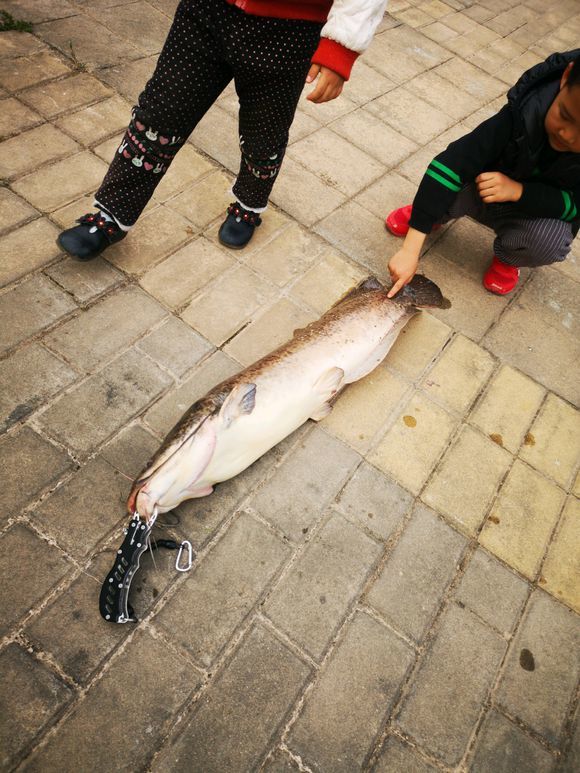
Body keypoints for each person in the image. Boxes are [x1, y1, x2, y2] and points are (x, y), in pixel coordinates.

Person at [58, 0, 387, 259]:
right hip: (206, 12)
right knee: (161, 113)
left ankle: (249, 203)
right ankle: (113, 214)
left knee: (264, 132)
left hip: (291, 27)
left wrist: (342, 47)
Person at [385, 49, 580, 297]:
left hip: (534, 210)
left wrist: (521, 192)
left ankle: (510, 257)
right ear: (567, 76)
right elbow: (451, 164)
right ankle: (427, 217)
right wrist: (410, 249)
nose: (568, 135)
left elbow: (576, 206)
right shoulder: (521, 113)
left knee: (550, 242)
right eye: (565, 114)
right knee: (444, 183)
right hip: (483, 191)